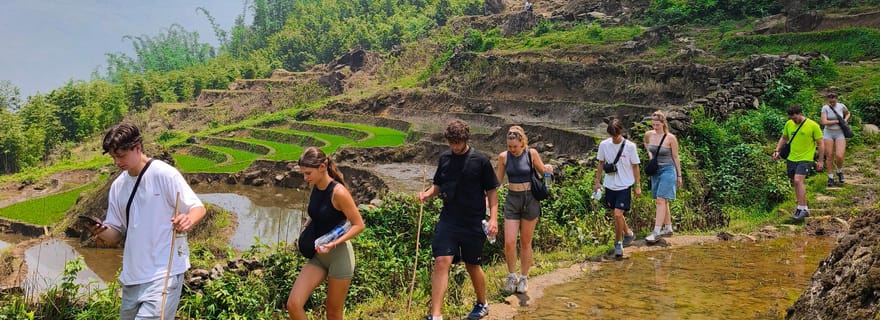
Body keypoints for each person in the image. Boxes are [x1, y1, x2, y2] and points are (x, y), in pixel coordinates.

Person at [86, 123, 207, 319]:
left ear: (138, 147)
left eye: (121, 155)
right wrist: (100, 230)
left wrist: (187, 220)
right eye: (113, 157)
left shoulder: (163, 174)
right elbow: (115, 235)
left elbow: (197, 208)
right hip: (132, 277)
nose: (117, 162)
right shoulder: (118, 186)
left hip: (163, 274)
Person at [418, 119, 500, 320]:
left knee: (472, 264)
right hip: (449, 219)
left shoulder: (480, 161)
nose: (454, 147)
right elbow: (438, 185)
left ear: (465, 139)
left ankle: (482, 303)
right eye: (451, 143)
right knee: (441, 261)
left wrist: (494, 219)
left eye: (458, 143)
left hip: (473, 220)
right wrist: (427, 194)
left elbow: (492, 191)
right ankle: (435, 315)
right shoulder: (445, 158)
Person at [287, 147, 365, 320]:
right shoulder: (316, 187)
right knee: (293, 304)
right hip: (319, 255)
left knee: (333, 313)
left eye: (308, 173)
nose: (305, 178)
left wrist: (333, 244)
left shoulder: (339, 193)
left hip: (339, 256)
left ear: (322, 167)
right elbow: (316, 214)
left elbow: (359, 225)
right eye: (303, 174)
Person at [494, 126, 551, 294]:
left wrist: (548, 172)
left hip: (530, 200)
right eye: (509, 146)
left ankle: (524, 278)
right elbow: (497, 181)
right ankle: (512, 276)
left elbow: (545, 177)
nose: (512, 150)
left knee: (525, 242)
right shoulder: (503, 157)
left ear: (522, 143)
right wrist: (488, 197)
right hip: (512, 200)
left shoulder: (531, 154)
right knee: (509, 241)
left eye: (515, 147)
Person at [593, 119, 640, 257]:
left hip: (624, 185)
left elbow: (635, 166)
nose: (614, 138)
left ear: (621, 132)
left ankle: (618, 243)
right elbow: (601, 163)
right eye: (612, 135)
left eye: (616, 134)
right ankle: (629, 234)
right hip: (610, 185)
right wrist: (597, 182)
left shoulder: (630, 147)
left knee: (618, 214)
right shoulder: (604, 145)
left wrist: (637, 185)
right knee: (617, 215)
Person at [773, 105, 824, 220]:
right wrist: (777, 150)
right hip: (791, 158)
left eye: (795, 118)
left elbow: (821, 143)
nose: (793, 120)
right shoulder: (789, 124)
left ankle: (803, 208)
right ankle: (801, 207)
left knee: (798, 180)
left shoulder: (813, 125)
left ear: (801, 114)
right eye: (791, 118)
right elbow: (784, 138)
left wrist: (820, 160)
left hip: (806, 158)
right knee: (795, 182)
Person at [643, 111, 682, 243]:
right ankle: (668, 227)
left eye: (657, 125)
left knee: (660, 199)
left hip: (668, 170)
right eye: (653, 124)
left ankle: (656, 231)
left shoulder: (670, 138)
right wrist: (651, 158)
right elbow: (647, 146)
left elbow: (676, 157)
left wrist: (679, 175)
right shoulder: (649, 134)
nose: (655, 127)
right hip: (656, 170)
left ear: (663, 123)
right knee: (662, 200)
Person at [820, 92, 851, 187]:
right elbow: (824, 121)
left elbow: (848, 113)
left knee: (839, 155)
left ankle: (839, 171)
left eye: (833, 101)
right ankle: (830, 177)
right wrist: (837, 121)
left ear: (836, 99)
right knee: (829, 156)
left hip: (840, 132)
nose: (832, 103)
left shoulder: (841, 106)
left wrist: (845, 120)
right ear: (828, 100)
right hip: (828, 133)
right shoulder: (825, 108)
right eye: (830, 101)